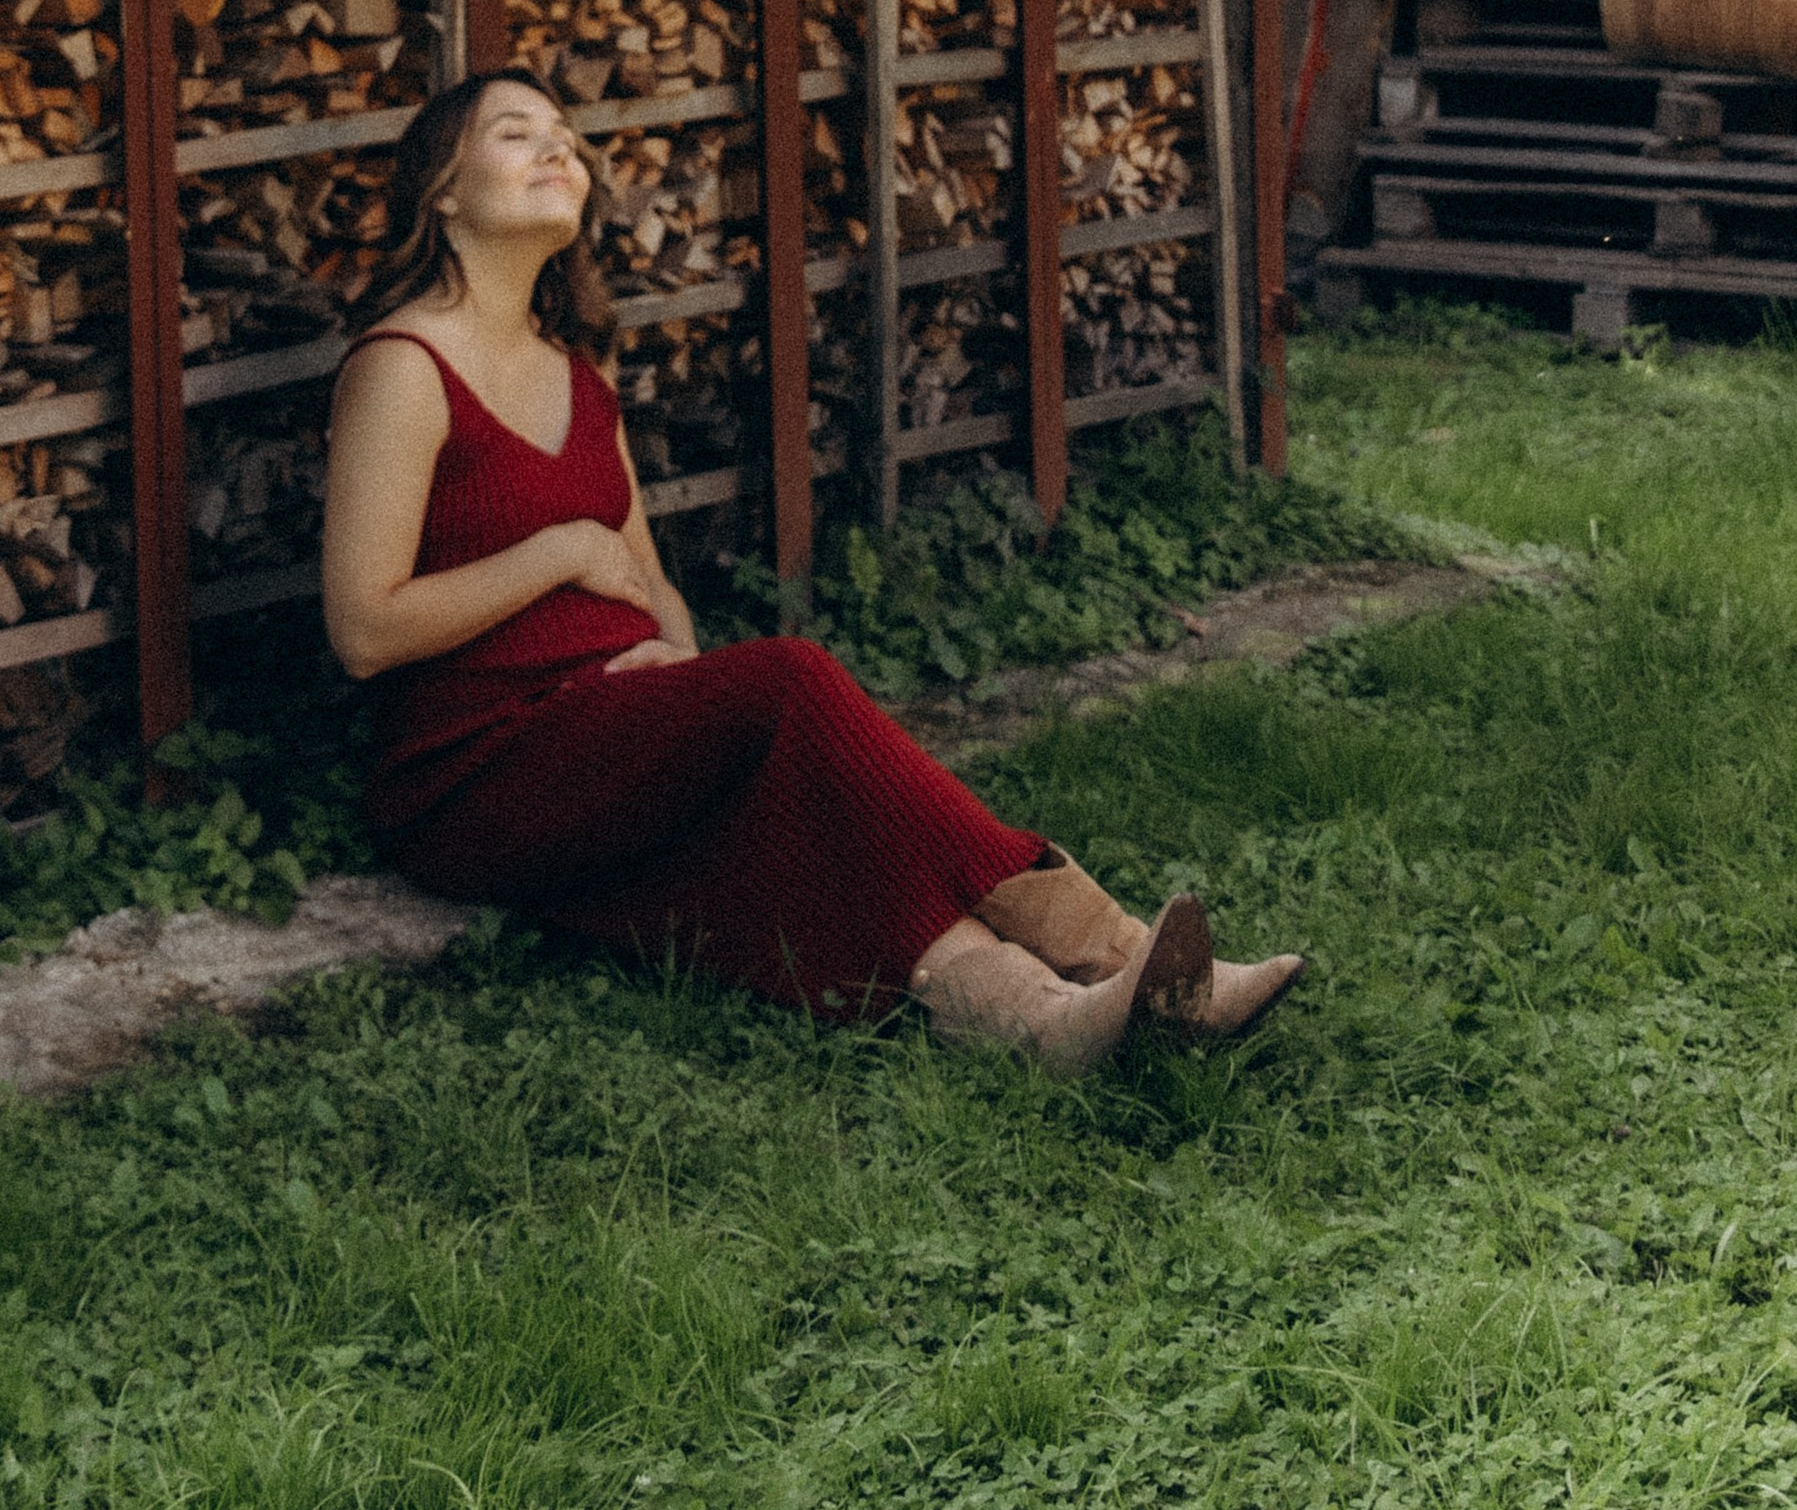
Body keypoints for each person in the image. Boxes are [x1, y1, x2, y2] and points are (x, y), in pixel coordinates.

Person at [321, 70, 1303, 1072]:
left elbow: (651, 577)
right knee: (791, 678)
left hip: (607, 727)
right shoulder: (403, 364)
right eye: (517, 133)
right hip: (475, 771)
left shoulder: (578, 367)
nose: (558, 151)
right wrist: (558, 552)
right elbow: (363, 629)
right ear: (441, 191)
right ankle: (1117, 946)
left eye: (569, 139)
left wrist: (673, 659)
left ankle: (1038, 1017)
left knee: (787, 818)